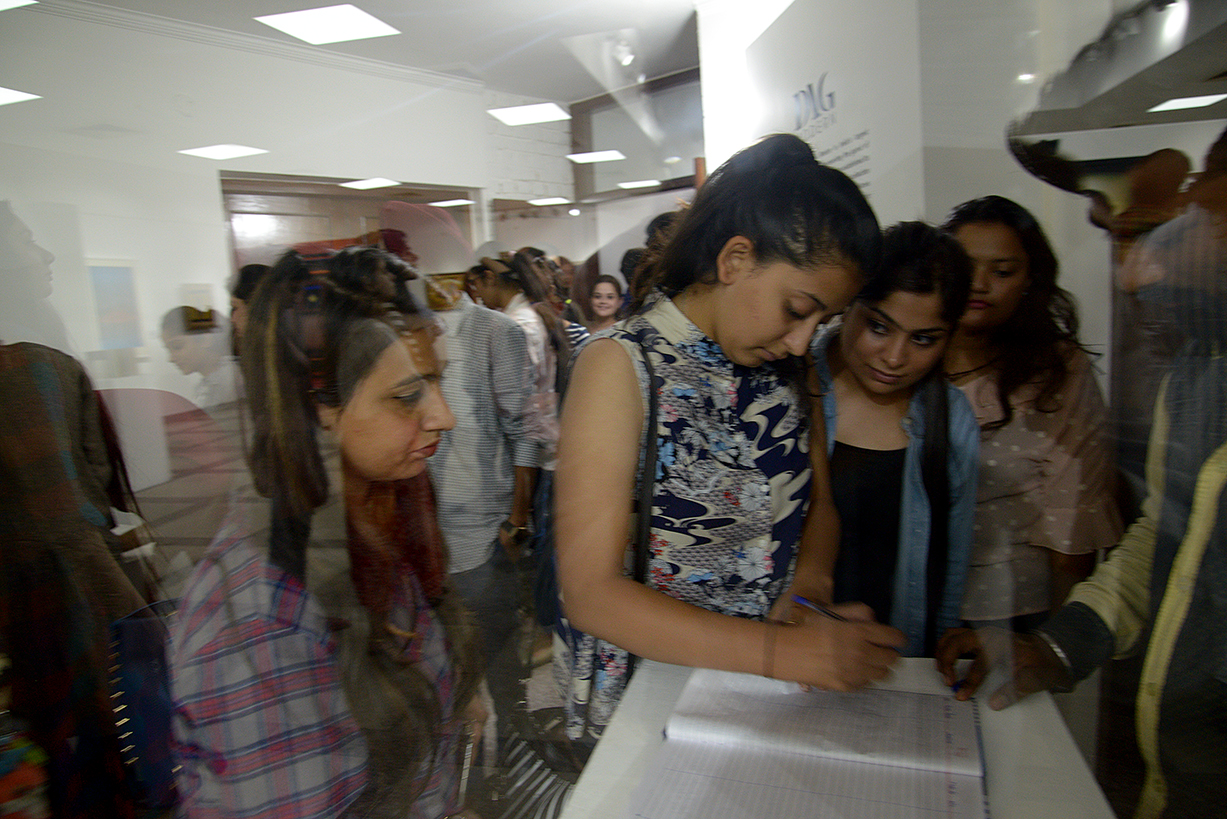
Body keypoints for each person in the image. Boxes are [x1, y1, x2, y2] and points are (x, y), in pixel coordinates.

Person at [553, 133, 905, 744]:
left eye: (823, 320)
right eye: (797, 309)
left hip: (767, 691)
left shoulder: (792, 367)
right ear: (735, 260)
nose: (803, 339)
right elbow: (590, 593)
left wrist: (809, 589)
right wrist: (785, 653)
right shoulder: (623, 365)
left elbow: (819, 503)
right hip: (658, 691)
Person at [936, 127, 1227, 819]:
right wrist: (1059, 648)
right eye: (1118, 236)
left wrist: (1049, 631)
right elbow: (1167, 536)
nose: (1133, 273)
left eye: (1175, 228)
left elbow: (1075, 516)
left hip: (1012, 600)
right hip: (925, 610)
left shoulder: (1057, 369)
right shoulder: (1197, 373)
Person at [170, 250, 481, 818]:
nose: (444, 416)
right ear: (320, 406)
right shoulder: (260, 624)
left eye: (437, 382)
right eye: (407, 395)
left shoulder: (380, 520)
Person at [939, 196, 1121, 631]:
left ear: (1029, 280)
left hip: (1012, 609)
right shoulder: (899, 355)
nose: (978, 284)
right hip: (899, 600)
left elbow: (1073, 513)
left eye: (1002, 272)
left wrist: (1052, 643)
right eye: (964, 267)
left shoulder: (1057, 370)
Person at [810, 222, 979, 657]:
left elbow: (951, 562)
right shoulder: (791, 386)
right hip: (795, 642)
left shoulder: (951, 419)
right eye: (879, 327)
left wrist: (937, 654)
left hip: (897, 653)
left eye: (923, 339)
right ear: (849, 303)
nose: (895, 357)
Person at [160, 306, 239, 408]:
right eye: (169, 349)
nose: (171, 359)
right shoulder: (205, 386)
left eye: (177, 346)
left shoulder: (230, 382)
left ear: (205, 339)